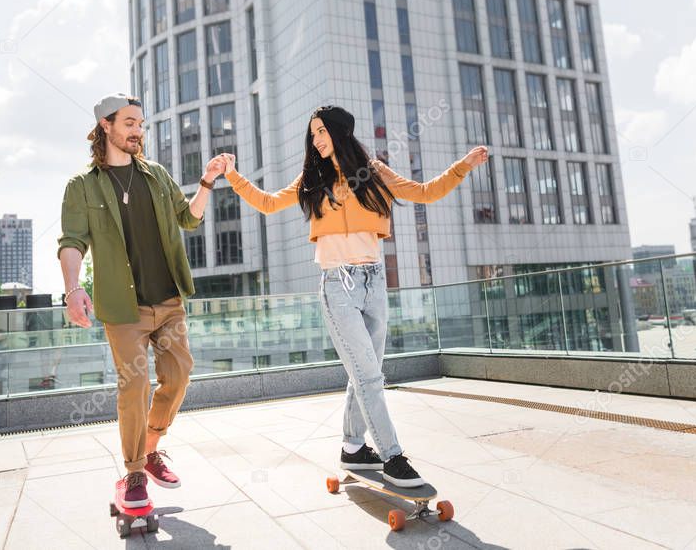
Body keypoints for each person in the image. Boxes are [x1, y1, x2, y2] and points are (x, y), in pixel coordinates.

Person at [218, 105, 488, 487]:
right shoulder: (312, 179)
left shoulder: (374, 173)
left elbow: (426, 192)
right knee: (369, 376)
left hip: (374, 282)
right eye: (313, 134)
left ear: (340, 132)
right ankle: (393, 456)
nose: (316, 140)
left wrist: (463, 166)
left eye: (322, 131)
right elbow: (267, 202)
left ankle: (352, 448)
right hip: (337, 285)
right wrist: (232, 174)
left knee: (363, 374)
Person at [57, 94, 225, 507]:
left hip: (168, 299)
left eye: (141, 124)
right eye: (130, 123)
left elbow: (189, 218)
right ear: (106, 127)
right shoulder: (82, 186)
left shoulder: (156, 175)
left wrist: (206, 181)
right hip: (122, 308)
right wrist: (73, 288)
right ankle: (134, 473)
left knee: (180, 375)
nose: (137, 131)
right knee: (133, 386)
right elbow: (72, 242)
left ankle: (150, 448)